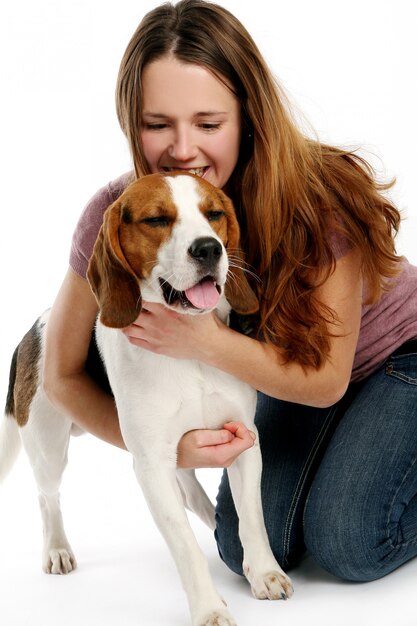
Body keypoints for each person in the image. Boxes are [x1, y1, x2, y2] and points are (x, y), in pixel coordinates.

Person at [43, 0, 417, 585]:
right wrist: (167, 453)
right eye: (157, 123)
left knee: (348, 542)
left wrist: (200, 341)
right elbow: (60, 376)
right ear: (129, 120)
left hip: (392, 362)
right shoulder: (120, 213)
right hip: (285, 382)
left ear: (247, 117)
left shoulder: (314, 201)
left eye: (209, 124)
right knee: (245, 547)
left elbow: (325, 379)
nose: (183, 148)